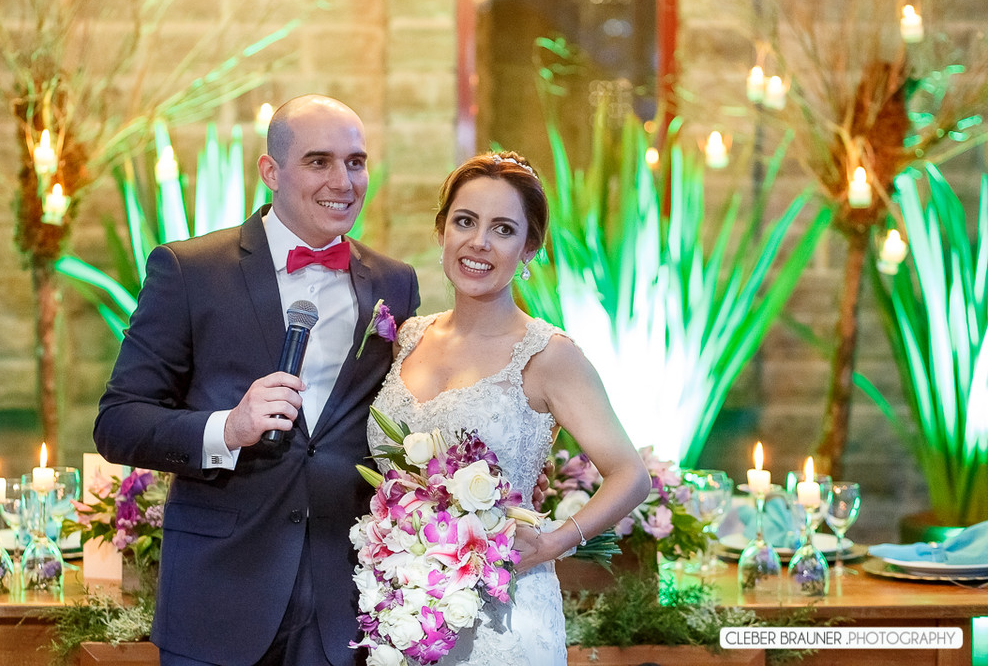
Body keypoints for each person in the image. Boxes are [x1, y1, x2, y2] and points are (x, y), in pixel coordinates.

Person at [94, 94, 421, 666]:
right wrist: (229, 428)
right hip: (219, 595)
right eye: (318, 161)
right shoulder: (190, 270)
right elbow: (118, 423)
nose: (342, 180)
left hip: (346, 605)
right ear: (270, 171)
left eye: (356, 161)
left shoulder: (394, 284)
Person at [365, 151, 651, 664]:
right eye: (465, 221)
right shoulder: (406, 338)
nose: (479, 242)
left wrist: (553, 542)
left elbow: (630, 474)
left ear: (529, 249)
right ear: (442, 231)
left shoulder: (550, 355)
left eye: (503, 229)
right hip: (404, 612)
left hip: (507, 618)